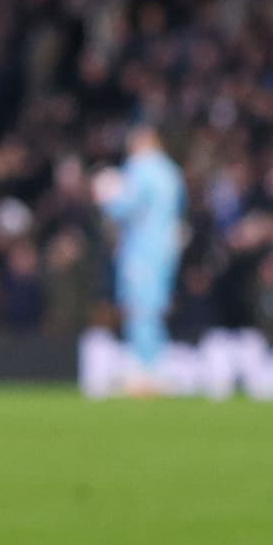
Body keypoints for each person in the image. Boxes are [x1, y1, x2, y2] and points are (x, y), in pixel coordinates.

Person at [95, 121, 186, 390]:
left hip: (143, 250)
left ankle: (147, 371)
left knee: (140, 310)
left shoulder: (142, 169)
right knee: (152, 309)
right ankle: (154, 368)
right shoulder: (171, 172)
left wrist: (106, 195)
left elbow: (126, 206)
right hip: (165, 250)